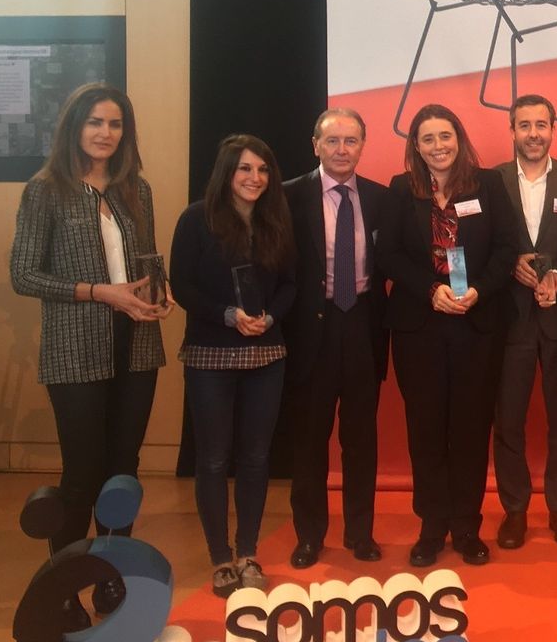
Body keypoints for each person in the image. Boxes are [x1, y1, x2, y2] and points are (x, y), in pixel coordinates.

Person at [10, 82, 170, 627]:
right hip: (75, 349)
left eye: (115, 124)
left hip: (136, 345)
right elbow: (23, 274)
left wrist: (159, 290)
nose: (106, 133)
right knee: (82, 473)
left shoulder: (136, 188)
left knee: (123, 471)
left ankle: (110, 576)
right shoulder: (45, 190)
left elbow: (145, 257)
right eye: (95, 122)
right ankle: (62, 589)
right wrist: (101, 292)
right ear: (74, 127)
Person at [379, 104, 519, 568]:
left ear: (459, 139)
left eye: (445, 136)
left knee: (470, 430)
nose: (438, 146)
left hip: (476, 324)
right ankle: (431, 527)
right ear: (416, 147)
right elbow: (389, 255)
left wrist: (478, 290)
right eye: (428, 138)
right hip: (420, 325)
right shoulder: (402, 189)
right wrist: (430, 290)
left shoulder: (487, 184)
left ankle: (466, 527)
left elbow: (507, 249)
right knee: (426, 430)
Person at [170, 134, 296, 597]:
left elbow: (291, 283)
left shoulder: (275, 219)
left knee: (256, 457)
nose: (255, 178)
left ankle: (248, 552)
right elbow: (182, 285)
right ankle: (220, 558)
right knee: (213, 458)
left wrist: (271, 317)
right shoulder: (195, 219)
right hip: (210, 355)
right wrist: (227, 316)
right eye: (245, 168)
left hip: (266, 355)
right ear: (227, 172)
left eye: (262, 170)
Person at [282, 108, 389, 569]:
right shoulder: (287, 197)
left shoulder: (381, 198)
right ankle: (309, 536)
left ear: (363, 145)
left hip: (363, 323)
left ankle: (360, 534)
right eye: (332, 141)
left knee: (361, 439)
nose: (342, 150)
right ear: (315, 145)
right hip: (312, 328)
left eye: (351, 141)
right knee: (309, 440)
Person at [493, 94, 557, 549]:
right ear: (512, 130)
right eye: (525, 125)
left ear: (553, 129)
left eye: (541, 125)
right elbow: (482, 242)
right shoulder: (491, 180)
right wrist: (508, 263)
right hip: (509, 321)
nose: (533, 134)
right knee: (507, 420)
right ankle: (514, 510)